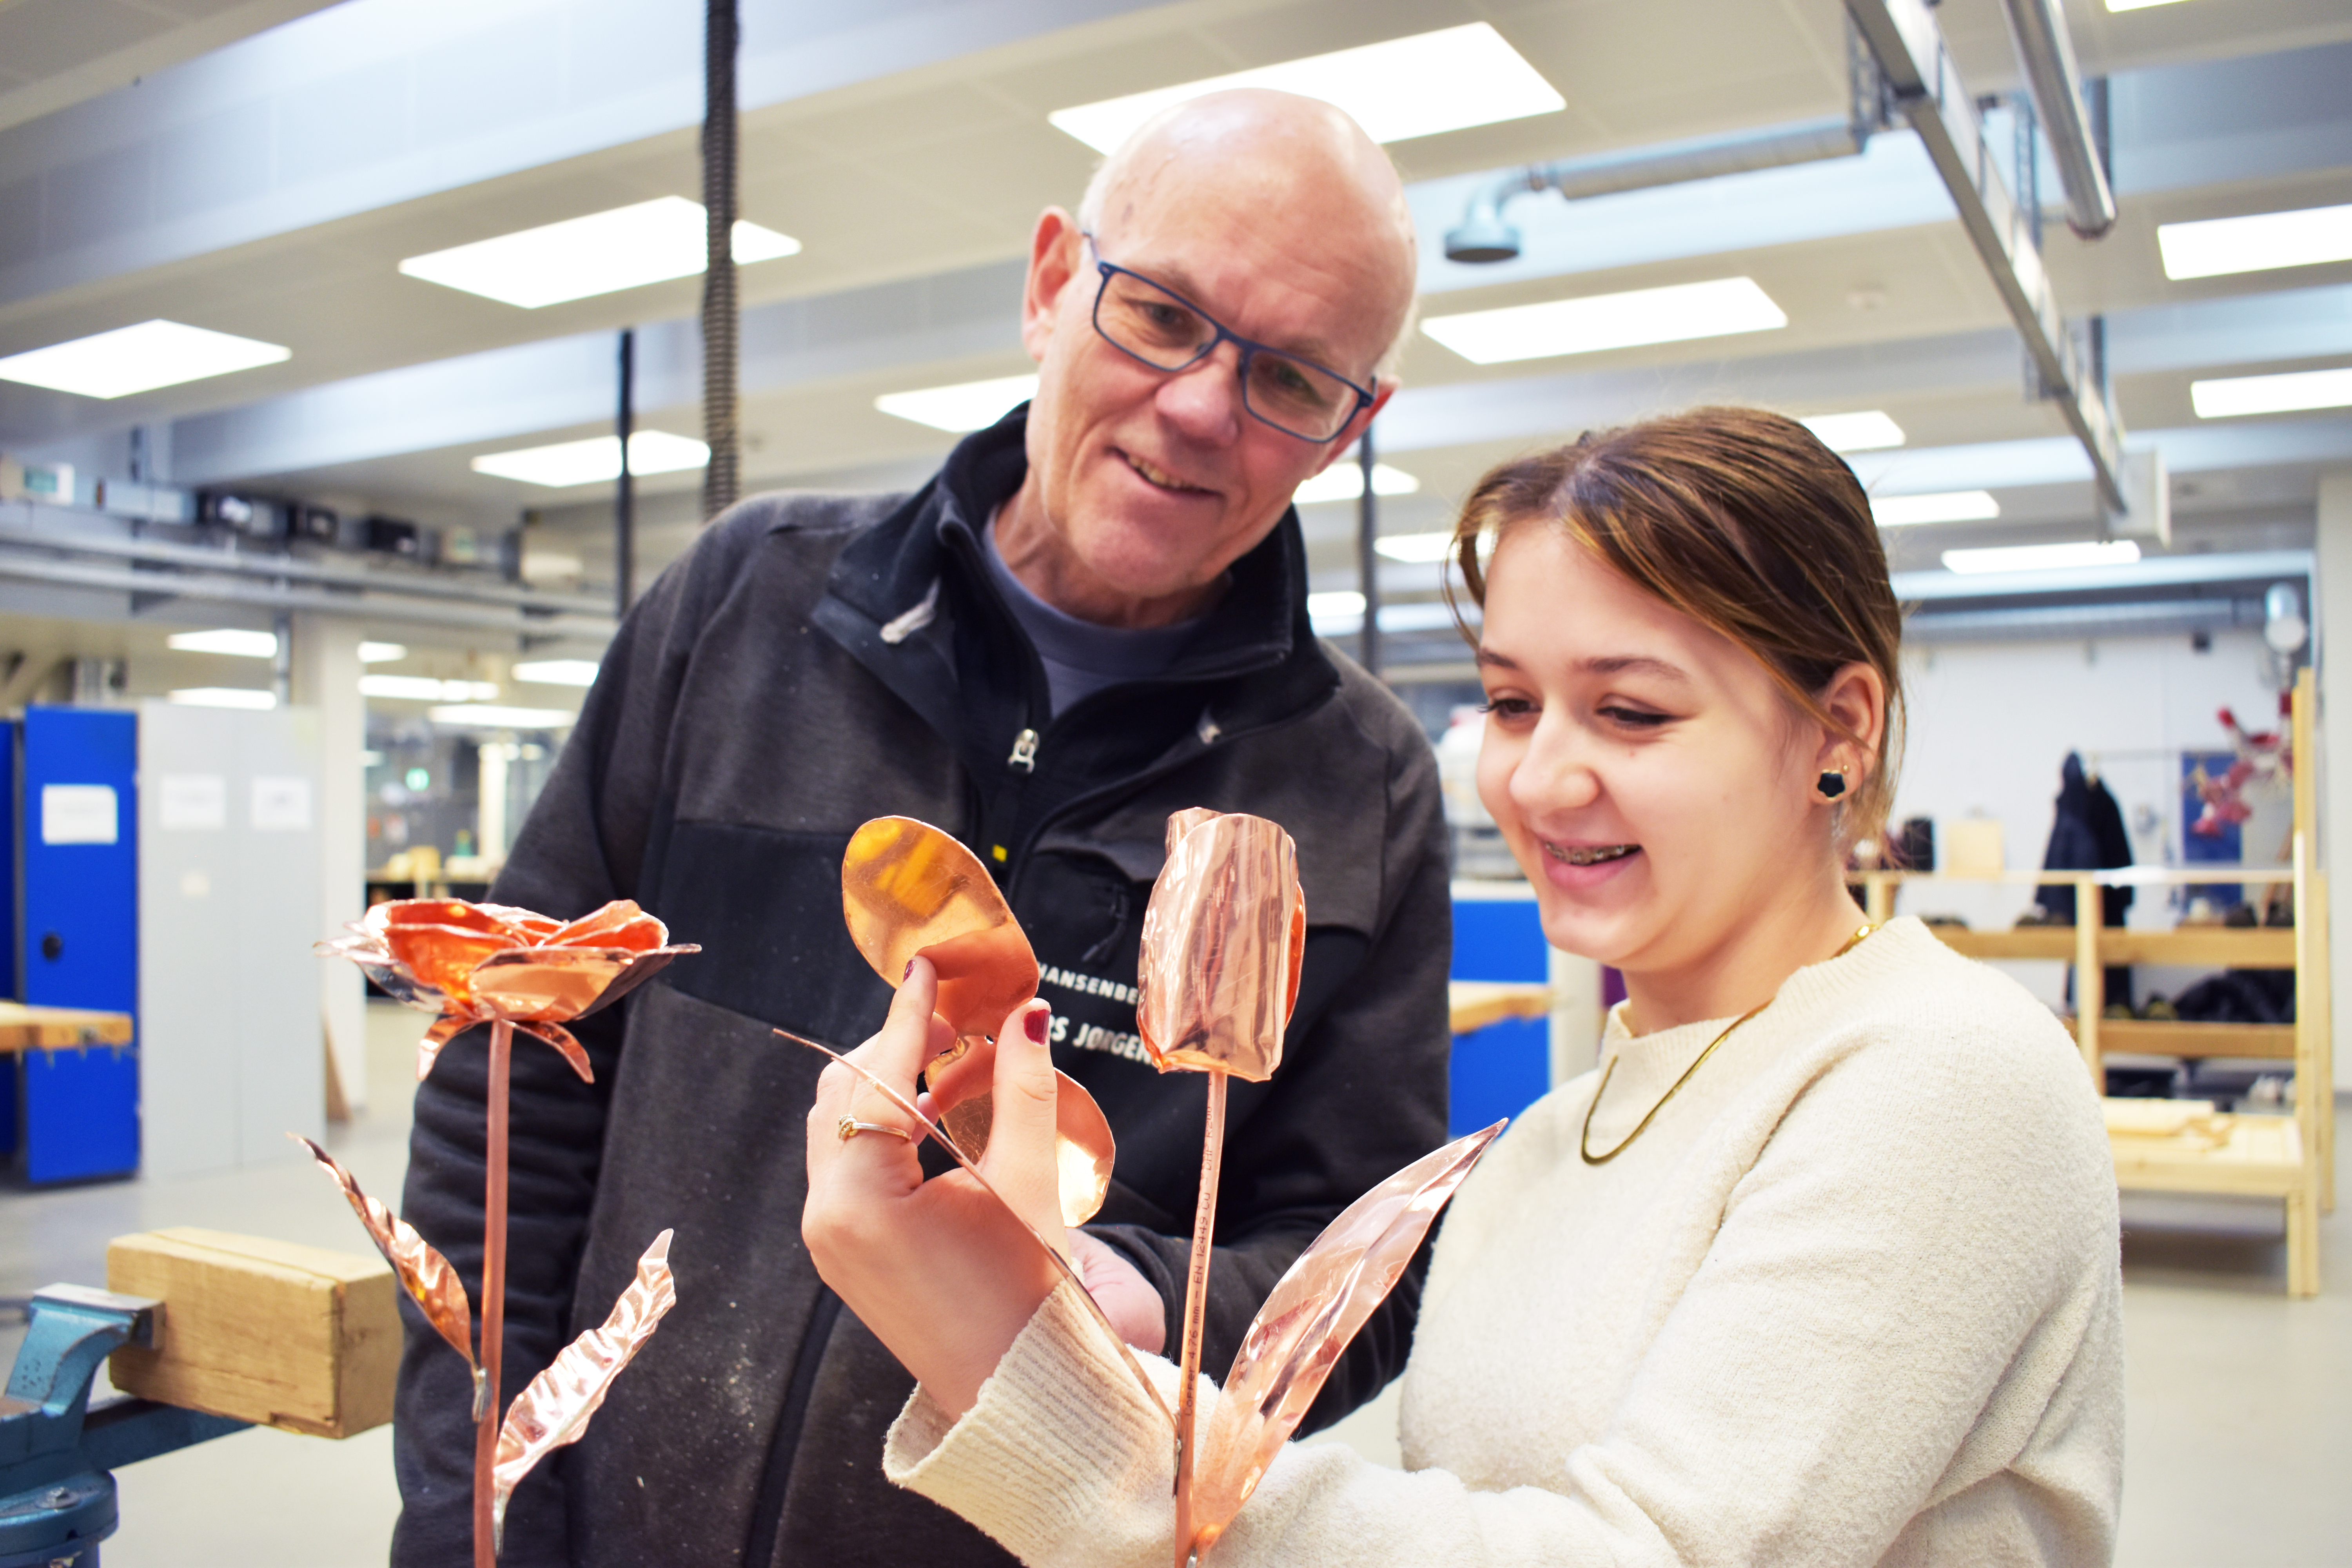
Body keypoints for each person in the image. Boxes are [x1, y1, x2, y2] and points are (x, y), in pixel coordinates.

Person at [393, 90, 1453, 1566]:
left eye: (1290, 378)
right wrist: (476, 1519)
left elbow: (1364, 1276)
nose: (1206, 406)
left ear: (1352, 429)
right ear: (1046, 285)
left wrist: (1108, 1295)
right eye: (1159, 316)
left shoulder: (1361, 787)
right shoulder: (744, 611)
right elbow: (517, 1078)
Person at [805, 407, 2127, 1566]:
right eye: (1510, 704)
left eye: (1633, 712)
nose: (1541, 781)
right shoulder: (1542, 1147)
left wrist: (1047, 1383)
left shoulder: (1941, 1079)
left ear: (1839, 729)